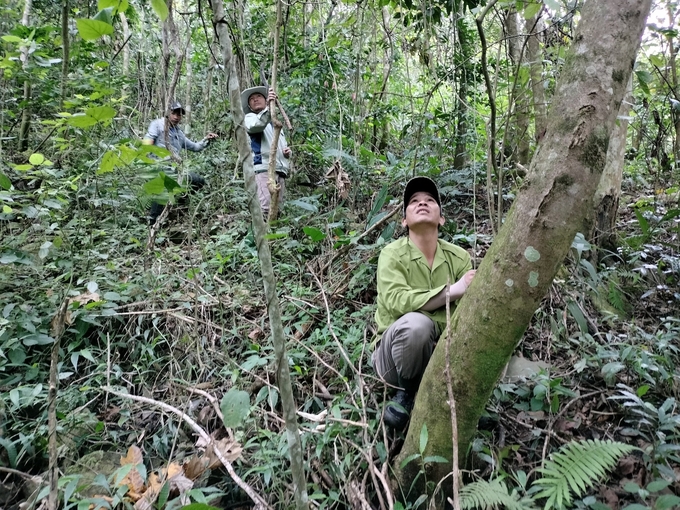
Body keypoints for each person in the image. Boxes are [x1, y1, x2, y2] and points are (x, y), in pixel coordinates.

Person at [372, 176, 476, 430]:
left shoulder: (459, 257)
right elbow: (397, 302)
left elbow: (466, 316)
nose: (422, 203)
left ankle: (462, 402)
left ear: (441, 218)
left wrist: (446, 299)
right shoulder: (392, 254)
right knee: (417, 325)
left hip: (442, 357)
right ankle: (406, 394)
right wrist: (452, 291)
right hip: (392, 363)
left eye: (430, 200)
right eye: (414, 201)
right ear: (404, 220)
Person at [143, 101, 218, 224]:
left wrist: (206, 139)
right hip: (158, 166)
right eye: (174, 113)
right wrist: (145, 159)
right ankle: (153, 223)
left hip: (174, 169)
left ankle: (178, 204)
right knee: (161, 187)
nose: (176, 117)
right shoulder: (157, 124)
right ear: (168, 113)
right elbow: (149, 139)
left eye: (179, 115)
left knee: (198, 181)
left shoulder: (179, 134)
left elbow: (195, 147)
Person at [241, 87, 292, 217]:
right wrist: (269, 109)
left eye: (258, 96)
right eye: (252, 99)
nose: (255, 99)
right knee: (266, 207)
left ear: (265, 100)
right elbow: (256, 126)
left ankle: (274, 235)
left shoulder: (274, 123)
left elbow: (281, 146)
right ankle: (262, 236)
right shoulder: (250, 118)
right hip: (263, 168)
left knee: (277, 208)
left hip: (279, 170)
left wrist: (286, 153)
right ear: (250, 106)